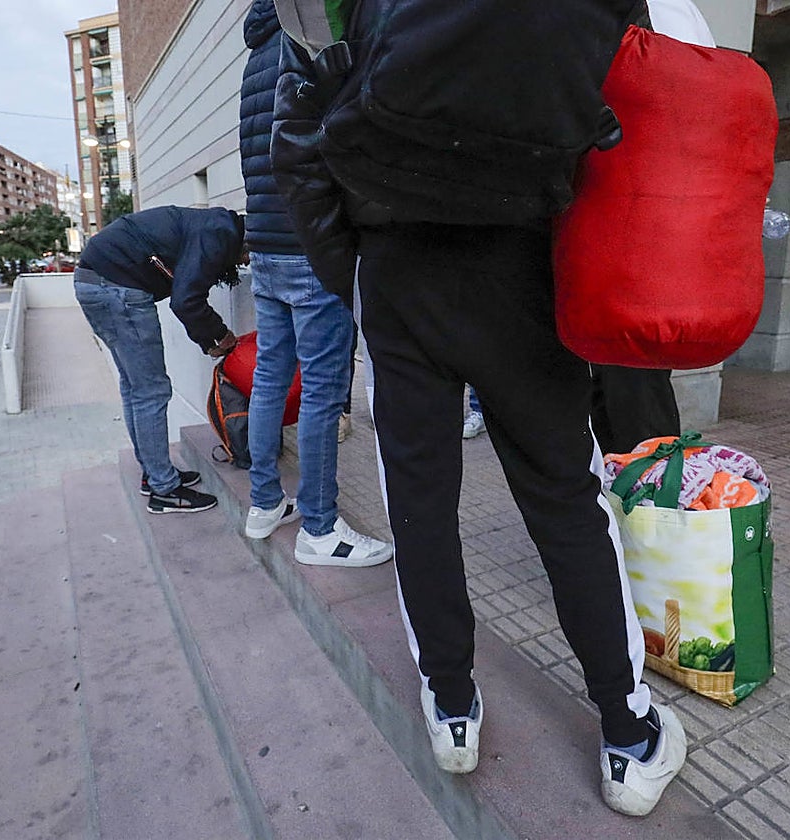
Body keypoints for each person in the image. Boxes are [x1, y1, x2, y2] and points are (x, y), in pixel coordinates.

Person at [271, 0, 684, 816]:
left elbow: (302, 129)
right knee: (566, 499)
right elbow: (631, 88)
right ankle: (628, 732)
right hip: (522, 256)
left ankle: (453, 707)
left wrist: (359, 275)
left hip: (397, 258)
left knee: (419, 502)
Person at [238, 0, 392, 567]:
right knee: (323, 391)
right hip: (309, 239)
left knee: (271, 376)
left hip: (266, 241)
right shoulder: (304, 32)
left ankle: (263, 504)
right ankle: (320, 529)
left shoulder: (256, 50)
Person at [589, 0, 715, 457]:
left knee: (628, 373)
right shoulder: (684, 13)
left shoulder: (665, 13)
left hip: (624, 216)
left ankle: (646, 480)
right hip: (652, 220)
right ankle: (641, 478)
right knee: (628, 372)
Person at [74, 205, 245, 514]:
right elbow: (186, 299)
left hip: (96, 281)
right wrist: (220, 336)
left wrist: (208, 340)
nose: (246, 263)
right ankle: (164, 489)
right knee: (151, 391)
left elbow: (186, 290)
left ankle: (154, 473)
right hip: (116, 288)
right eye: (248, 257)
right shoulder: (221, 233)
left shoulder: (213, 225)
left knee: (135, 388)